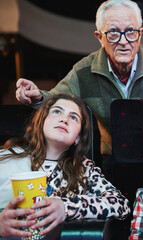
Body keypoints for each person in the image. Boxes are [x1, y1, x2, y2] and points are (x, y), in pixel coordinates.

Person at [15, 0, 143, 156]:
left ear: (140, 34)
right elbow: (54, 99)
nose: (124, 41)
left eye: (131, 32)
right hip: (112, 159)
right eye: (114, 33)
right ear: (100, 37)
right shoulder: (84, 70)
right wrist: (36, 97)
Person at [0, 94, 131, 238]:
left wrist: (66, 207)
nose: (64, 119)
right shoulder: (6, 157)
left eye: (74, 117)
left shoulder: (83, 169)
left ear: (78, 138)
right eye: (57, 111)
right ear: (42, 120)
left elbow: (120, 204)